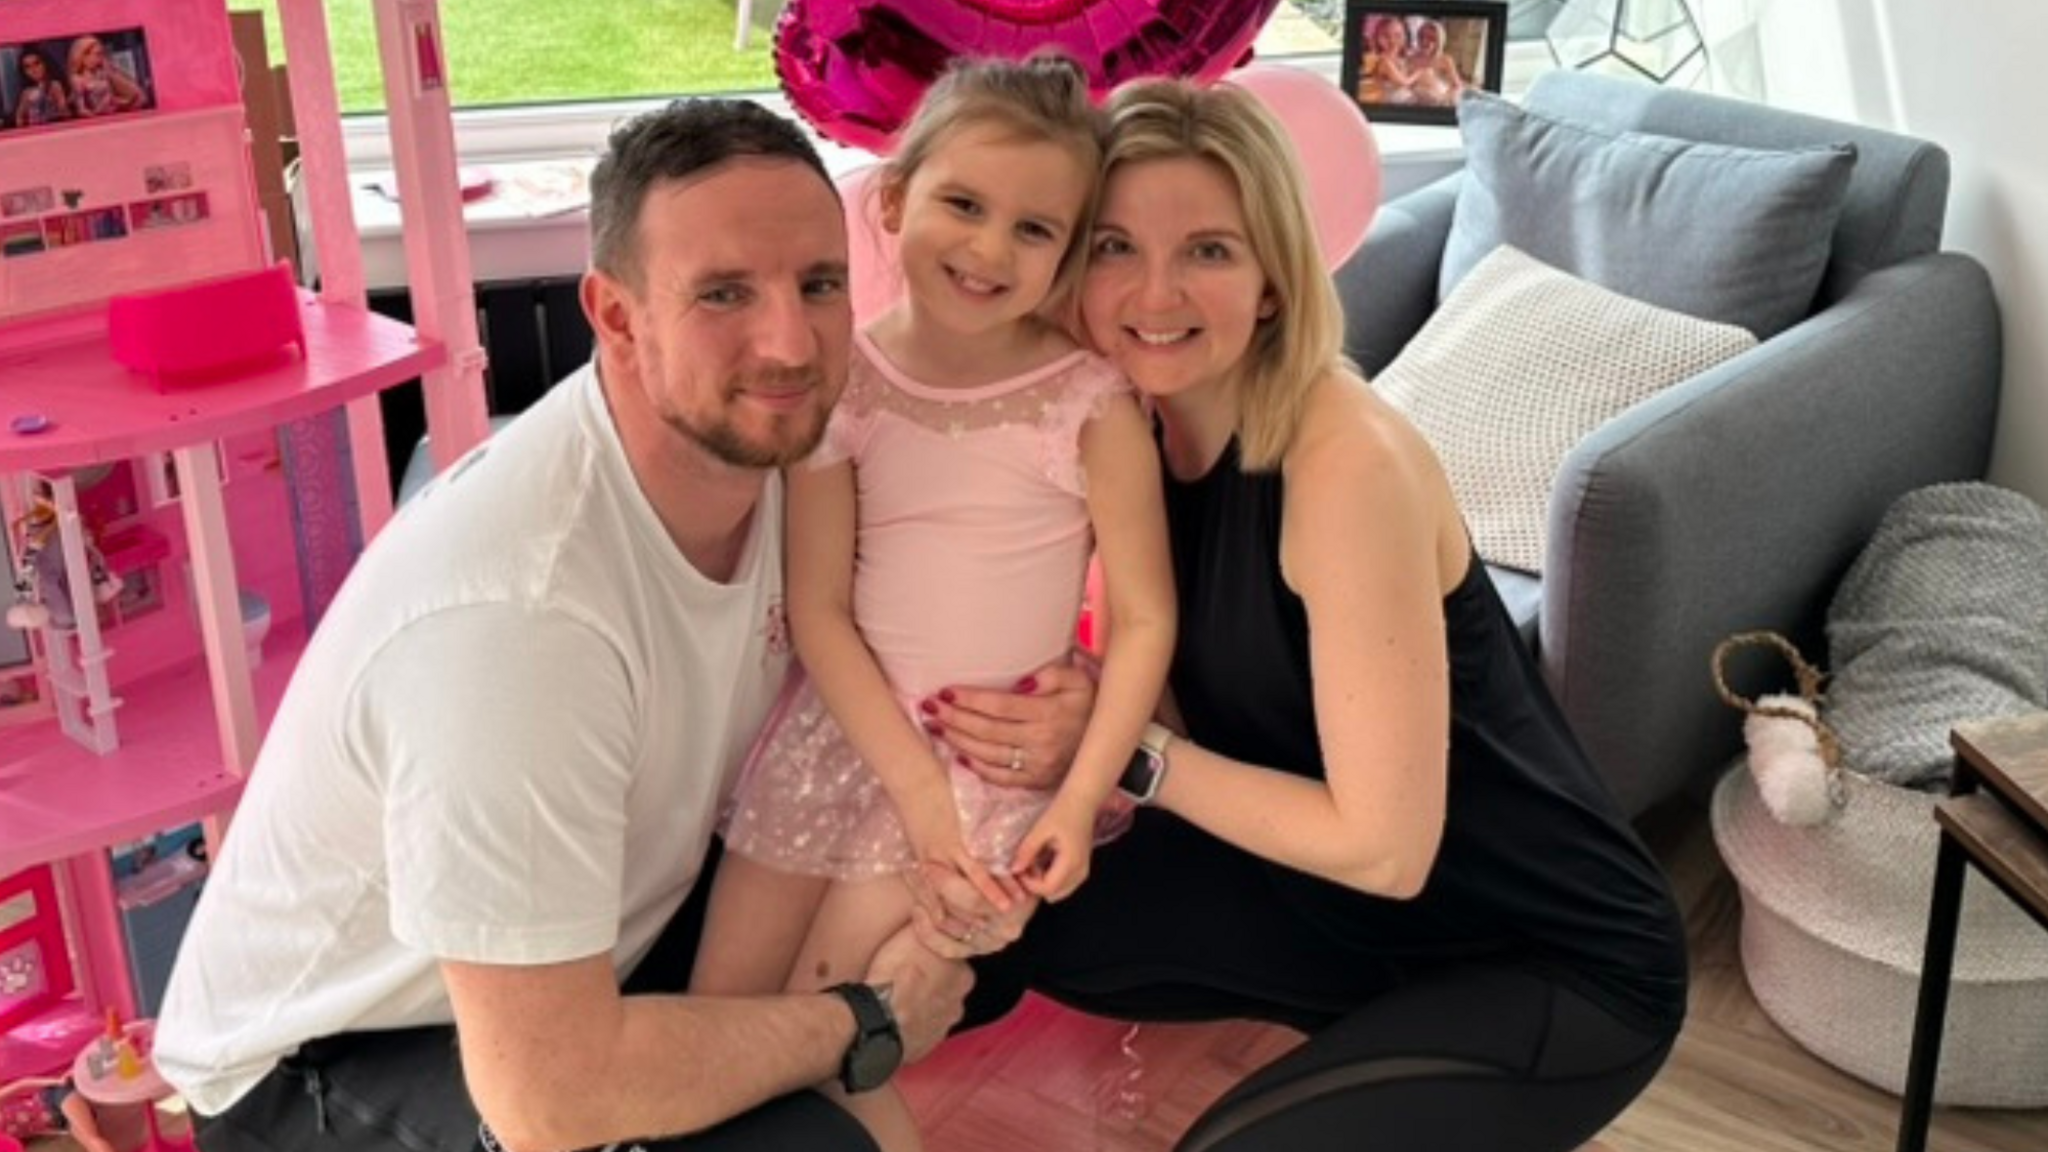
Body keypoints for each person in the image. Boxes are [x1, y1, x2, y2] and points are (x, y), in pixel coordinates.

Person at [154, 97, 1088, 1152]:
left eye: (818, 285)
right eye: (724, 294)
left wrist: (1061, 709)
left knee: (985, 941)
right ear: (615, 314)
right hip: (338, 1055)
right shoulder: (519, 623)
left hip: (600, 929)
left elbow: (943, 623)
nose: (789, 343)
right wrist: (862, 1025)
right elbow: (550, 1098)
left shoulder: (792, 459)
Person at [926, 78, 1690, 1152]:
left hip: (1542, 952)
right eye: (1112, 247)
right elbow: (1203, 726)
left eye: (1208, 249)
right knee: (999, 923)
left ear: (1274, 281)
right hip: (1327, 905)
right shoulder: (1127, 435)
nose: (1155, 291)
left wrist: (1120, 749)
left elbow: (1384, 848)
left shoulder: (1343, 466)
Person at [688, 54, 1175, 1152]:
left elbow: (1143, 617)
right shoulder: (843, 381)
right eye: (963, 205)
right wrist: (903, 782)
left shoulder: (1088, 402)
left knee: (838, 1043)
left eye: (1034, 230)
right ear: (897, 198)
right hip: (841, 743)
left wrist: (1074, 804)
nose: (989, 250)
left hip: (982, 777)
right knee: (716, 1029)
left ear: (1067, 250)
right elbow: (819, 608)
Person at [66, 35, 146, 118]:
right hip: (98, 118)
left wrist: (110, 71)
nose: (100, 59)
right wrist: (96, 114)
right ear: (83, 57)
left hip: (115, 113)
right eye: (97, 54)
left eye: (102, 55)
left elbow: (137, 95)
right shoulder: (78, 80)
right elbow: (81, 110)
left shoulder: (102, 74)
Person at [1405, 19, 1470, 106]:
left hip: (1439, 98)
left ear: (1439, 40)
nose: (1424, 41)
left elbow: (1457, 85)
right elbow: (1406, 83)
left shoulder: (1445, 59)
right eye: (1421, 37)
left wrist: (1448, 97)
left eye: (1431, 38)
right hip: (1416, 99)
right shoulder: (1410, 58)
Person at [1357, 15, 1418, 105]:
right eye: (1386, 35)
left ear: (1405, 37)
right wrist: (1418, 73)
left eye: (1398, 35)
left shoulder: (1401, 58)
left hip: (1406, 97)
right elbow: (1404, 82)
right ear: (1377, 38)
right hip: (1394, 100)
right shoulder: (1384, 61)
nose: (1392, 40)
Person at [11, 47, 71, 128]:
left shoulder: (54, 85)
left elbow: (63, 110)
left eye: (37, 63)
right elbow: (19, 116)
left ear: (45, 63)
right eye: (27, 67)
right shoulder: (26, 92)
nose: (33, 69)